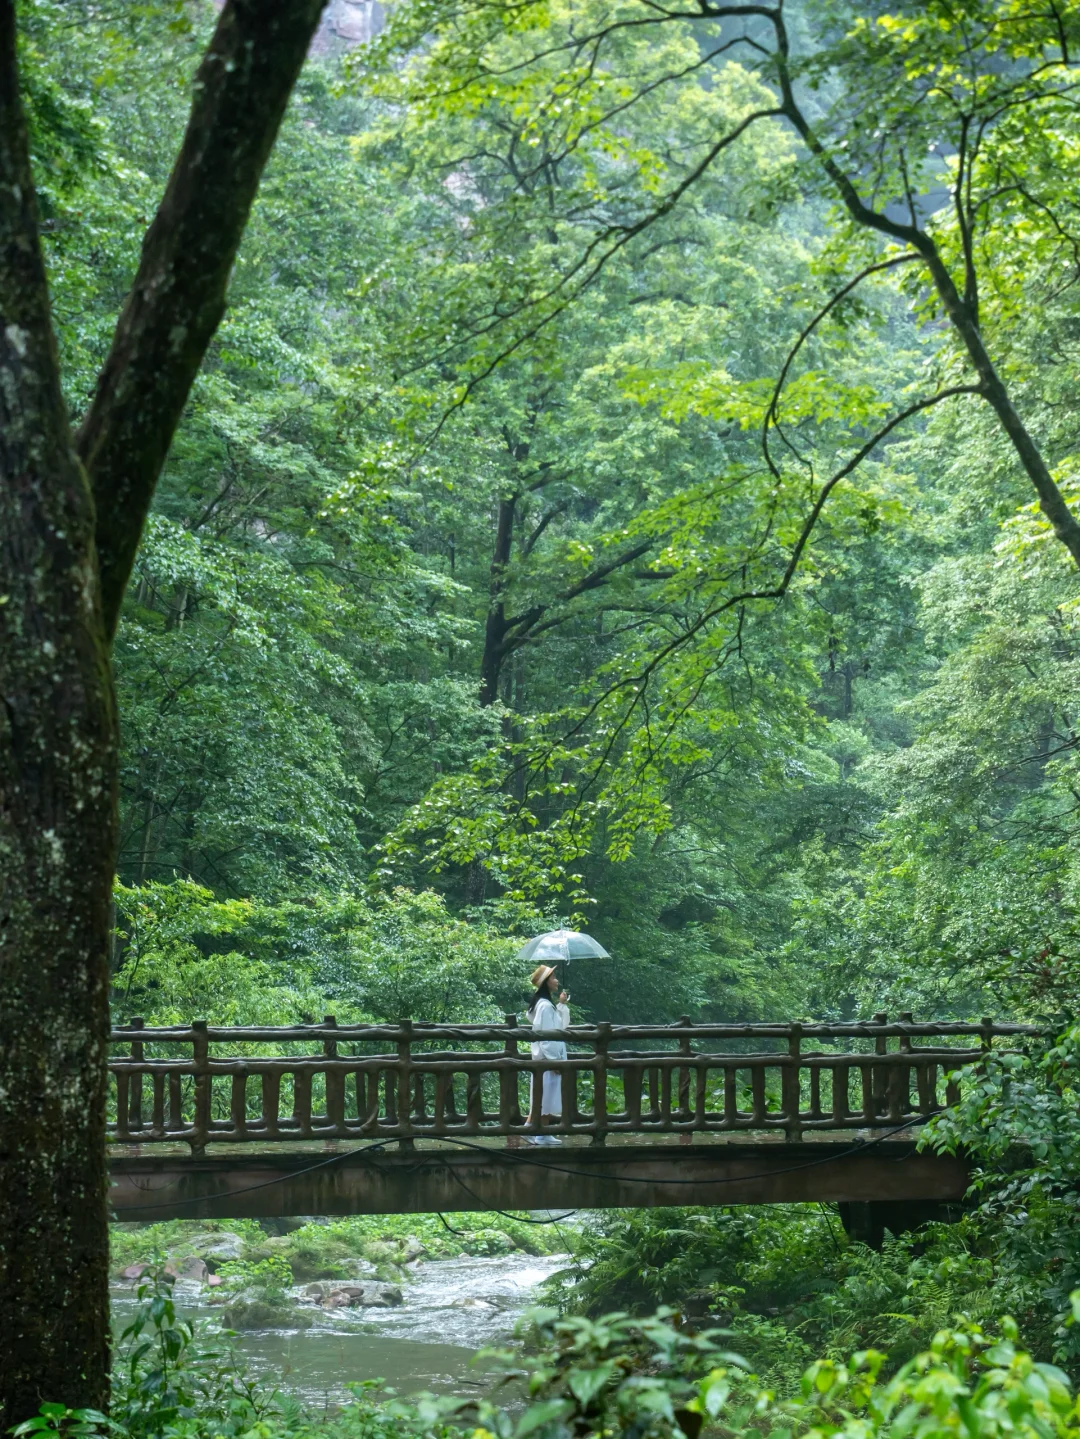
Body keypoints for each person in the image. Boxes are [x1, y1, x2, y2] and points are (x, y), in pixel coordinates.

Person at [526, 964, 570, 1145]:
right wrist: (555, 1061)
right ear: (546, 982)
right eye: (553, 977)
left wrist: (561, 1005)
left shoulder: (544, 1004)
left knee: (547, 1095)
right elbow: (545, 1034)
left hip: (547, 1057)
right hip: (547, 1058)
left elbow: (557, 1025)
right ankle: (531, 1128)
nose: (556, 980)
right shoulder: (544, 1006)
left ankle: (542, 1132)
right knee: (544, 1095)